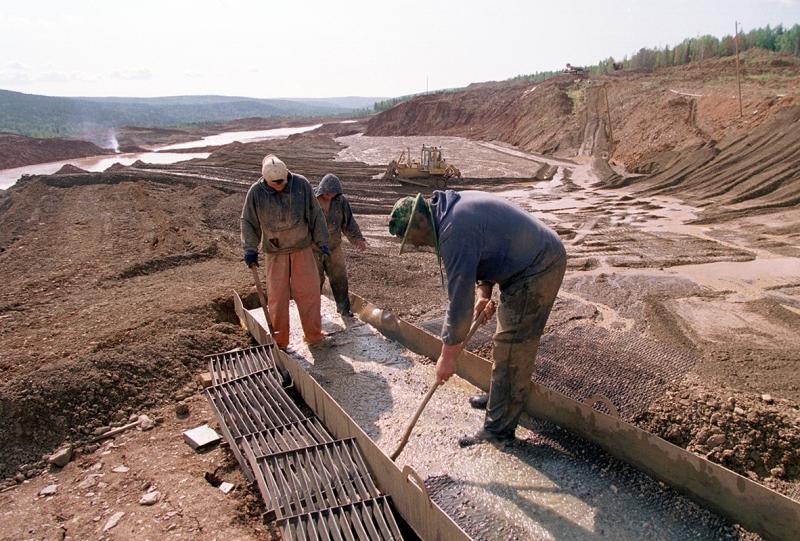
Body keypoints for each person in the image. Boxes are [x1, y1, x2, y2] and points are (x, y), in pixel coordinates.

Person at [388, 190, 566, 447]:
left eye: (412, 238)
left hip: (539, 266)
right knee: (505, 341)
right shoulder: (449, 213)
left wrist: (447, 357)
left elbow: (459, 304)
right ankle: (500, 398)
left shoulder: (454, 229)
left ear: (420, 222)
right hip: (525, 263)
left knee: (513, 346)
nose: (417, 245)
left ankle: (498, 431)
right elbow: (489, 249)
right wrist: (484, 293)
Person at [241, 154, 332, 349]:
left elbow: (315, 214)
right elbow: (249, 221)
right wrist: (250, 248)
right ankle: (280, 341)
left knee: (309, 293)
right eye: (275, 183)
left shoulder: (301, 184)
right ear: (265, 179)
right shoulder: (256, 192)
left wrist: (322, 240)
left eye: (283, 181)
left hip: (302, 248)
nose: (280, 185)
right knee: (277, 298)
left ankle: (314, 335)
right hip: (275, 253)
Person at [313, 173, 367, 317]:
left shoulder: (341, 201)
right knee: (314, 281)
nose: (330, 197)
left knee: (340, 278)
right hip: (313, 250)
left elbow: (348, 222)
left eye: (333, 195)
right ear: (322, 191)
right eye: (327, 195)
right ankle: (312, 313)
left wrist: (358, 239)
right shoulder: (310, 200)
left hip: (334, 247)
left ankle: (344, 309)